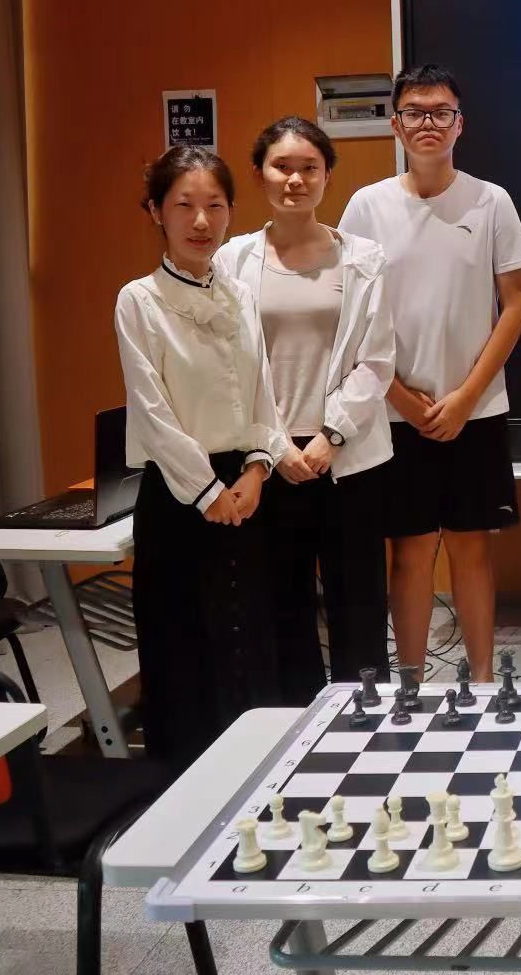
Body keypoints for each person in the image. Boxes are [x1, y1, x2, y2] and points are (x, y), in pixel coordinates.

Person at [340, 65, 521, 678]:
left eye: (441, 112)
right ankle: (412, 687)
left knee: (473, 551)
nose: (429, 122)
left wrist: (466, 397)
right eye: (415, 112)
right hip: (396, 413)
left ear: (460, 124)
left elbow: (517, 305)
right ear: (396, 125)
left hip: (476, 410)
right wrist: (398, 395)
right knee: (410, 553)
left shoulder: (491, 200)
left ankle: (483, 683)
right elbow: (351, 313)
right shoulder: (366, 206)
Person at [114, 146, 287, 767]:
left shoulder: (240, 293)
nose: (201, 221)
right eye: (184, 205)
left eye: (215, 205)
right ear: (155, 212)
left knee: (250, 637)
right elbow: (151, 411)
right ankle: (185, 787)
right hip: (180, 494)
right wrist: (208, 492)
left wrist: (259, 469)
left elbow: (264, 391)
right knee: (183, 645)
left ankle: (258, 776)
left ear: (231, 211)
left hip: (246, 489)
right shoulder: (139, 300)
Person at [213, 118, 393, 704]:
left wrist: (331, 435)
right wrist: (275, 445)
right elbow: (230, 365)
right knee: (280, 604)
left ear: (327, 175)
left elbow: (377, 361)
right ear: (259, 174)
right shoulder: (233, 259)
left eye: (309, 168)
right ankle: (295, 724)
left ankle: (364, 719)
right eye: (282, 167)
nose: (295, 179)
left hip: (346, 459)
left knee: (358, 603)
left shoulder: (363, 258)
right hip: (266, 462)